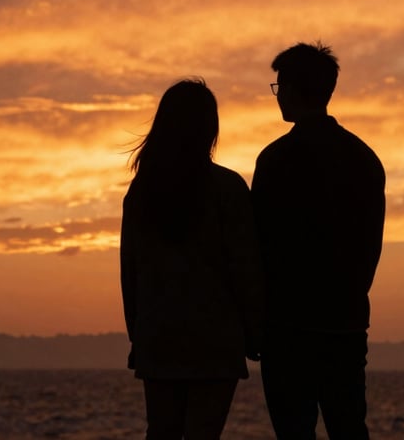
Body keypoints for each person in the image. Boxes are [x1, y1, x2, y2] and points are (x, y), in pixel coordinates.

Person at [252, 42, 385, 440]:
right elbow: (369, 250)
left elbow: (258, 246)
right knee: (348, 429)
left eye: (279, 87)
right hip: (343, 326)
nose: (278, 98)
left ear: (291, 88)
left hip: (286, 328)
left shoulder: (275, 159)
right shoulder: (363, 158)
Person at [121, 79, 263, 440]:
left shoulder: (142, 191)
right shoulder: (228, 189)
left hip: (159, 339)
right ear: (209, 128)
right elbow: (244, 268)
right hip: (215, 343)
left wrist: (139, 334)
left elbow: (130, 274)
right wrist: (253, 333)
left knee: (162, 433)